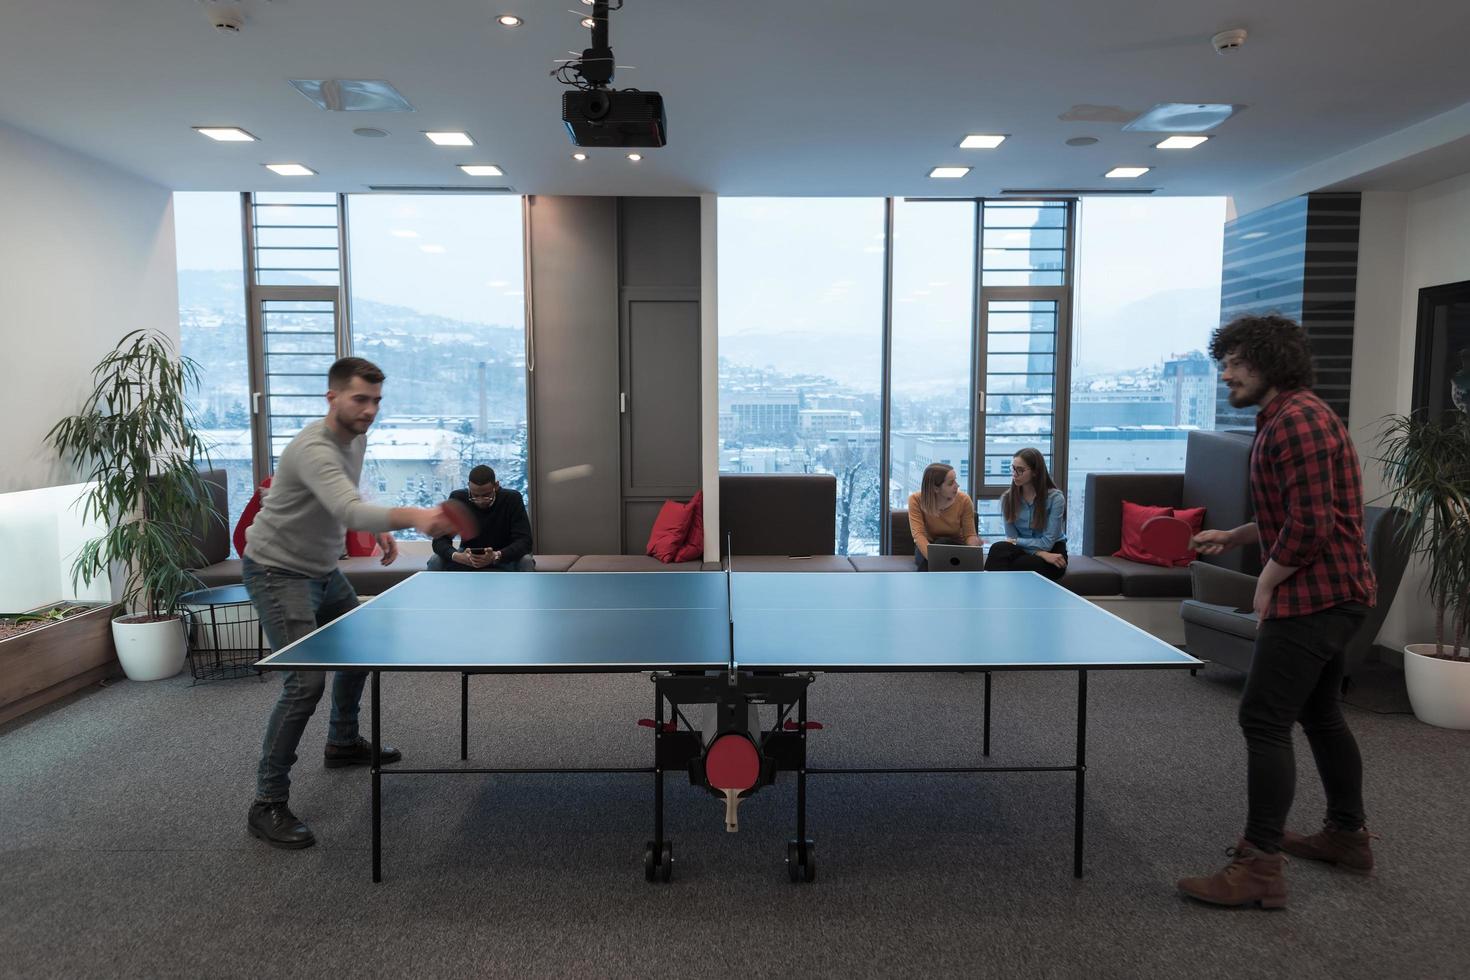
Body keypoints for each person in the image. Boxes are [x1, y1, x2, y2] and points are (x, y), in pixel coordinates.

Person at [1176, 314, 1378, 909]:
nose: (1227, 373)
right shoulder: (1292, 417)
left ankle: (1260, 864)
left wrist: (1265, 581)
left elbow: (1312, 526)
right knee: (1319, 716)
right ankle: (1347, 835)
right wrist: (1237, 536)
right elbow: (1300, 511)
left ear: (1270, 361)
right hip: (1334, 593)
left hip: (1316, 597)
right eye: (1225, 362)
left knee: (1263, 719)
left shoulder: (1298, 422)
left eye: (1237, 361)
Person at [244, 357, 456, 850]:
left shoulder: (353, 438)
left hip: (320, 568)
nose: (370, 410)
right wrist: (410, 517)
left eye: (377, 400)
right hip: (279, 572)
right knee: (304, 683)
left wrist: (376, 527)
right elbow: (345, 507)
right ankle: (266, 802)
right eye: (361, 399)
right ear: (332, 397)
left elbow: (349, 497)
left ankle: (341, 741)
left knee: (364, 642)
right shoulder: (313, 448)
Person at [428, 465, 535, 571]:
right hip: (468, 557)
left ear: (496, 486)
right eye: (474, 495)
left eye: (486, 495)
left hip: (504, 556)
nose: (480, 500)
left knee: (526, 560)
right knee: (435, 560)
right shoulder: (458, 498)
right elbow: (439, 540)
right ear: (468, 486)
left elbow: (525, 541)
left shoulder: (512, 499)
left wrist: (496, 555)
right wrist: (457, 556)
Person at [984, 448, 1067, 581]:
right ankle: (989, 594)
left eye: (1020, 470)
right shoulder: (1008, 498)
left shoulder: (1055, 498)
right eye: (1013, 468)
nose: (1014, 474)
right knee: (998, 548)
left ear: (1035, 472)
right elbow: (1011, 538)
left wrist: (1018, 542)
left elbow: (1046, 543)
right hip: (1025, 551)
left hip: (1054, 553)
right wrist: (1040, 553)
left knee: (1024, 564)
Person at [908, 462, 982, 571]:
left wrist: (974, 547)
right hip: (927, 546)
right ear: (936, 488)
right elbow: (919, 535)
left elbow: (969, 534)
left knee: (941, 543)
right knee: (937, 547)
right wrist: (935, 557)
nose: (957, 485)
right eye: (951, 483)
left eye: (955, 480)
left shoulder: (964, 500)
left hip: (956, 546)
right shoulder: (915, 500)